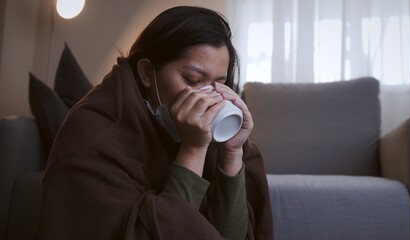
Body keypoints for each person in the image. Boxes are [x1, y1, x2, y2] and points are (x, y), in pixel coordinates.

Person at [34, 6, 273, 240]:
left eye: (219, 84)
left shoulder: (214, 134)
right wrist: (193, 149)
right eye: (192, 80)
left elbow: (232, 236)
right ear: (147, 73)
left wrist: (231, 153)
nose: (208, 98)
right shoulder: (93, 131)